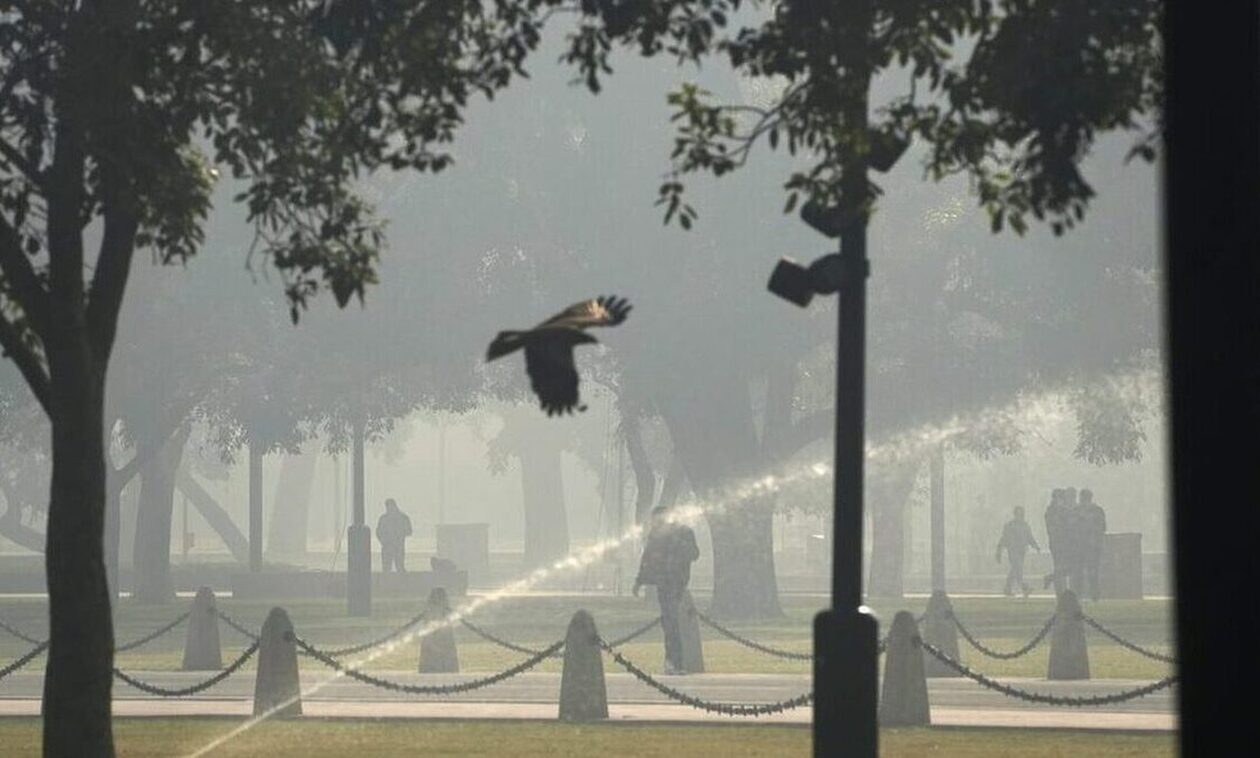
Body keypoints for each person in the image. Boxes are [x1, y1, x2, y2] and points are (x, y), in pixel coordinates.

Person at [633, 506, 700, 675]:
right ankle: (673, 662)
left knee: (672, 623)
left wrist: (679, 545)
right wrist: (640, 581)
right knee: (670, 623)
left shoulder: (684, 532)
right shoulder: (656, 535)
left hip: (677, 582)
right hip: (665, 583)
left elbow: (694, 554)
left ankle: (675, 662)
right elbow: (647, 558)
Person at [996, 506, 1040, 597]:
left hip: (1021, 551)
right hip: (1013, 551)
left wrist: (1036, 546)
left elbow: (1029, 537)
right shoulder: (1009, 526)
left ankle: (1007, 588)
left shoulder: (1025, 525)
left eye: (1021, 514)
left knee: (1015, 570)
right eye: (1018, 514)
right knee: (1017, 568)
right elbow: (1004, 538)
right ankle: (1024, 587)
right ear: (1015, 514)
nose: (1020, 516)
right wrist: (999, 551)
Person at [1078, 489, 1107, 601]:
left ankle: (1091, 595)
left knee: (1090, 571)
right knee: (1090, 571)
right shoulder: (1097, 510)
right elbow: (1103, 527)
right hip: (1090, 545)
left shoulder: (1094, 511)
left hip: (1090, 545)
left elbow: (1101, 527)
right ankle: (1092, 595)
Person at [1042, 489, 1070, 593]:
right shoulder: (1053, 512)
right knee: (1064, 567)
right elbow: (1056, 528)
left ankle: (1056, 584)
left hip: (1058, 542)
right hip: (1059, 543)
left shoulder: (1054, 511)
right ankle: (1054, 581)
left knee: (1061, 567)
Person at [376, 498, 413, 573]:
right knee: (388, 569)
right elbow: (378, 532)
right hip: (390, 546)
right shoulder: (402, 518)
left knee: (398, 568)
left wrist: (398, 534)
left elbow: (409, 531)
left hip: (396, 546)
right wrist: (383, 540)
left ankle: (400, 583)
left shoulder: (402, 518)